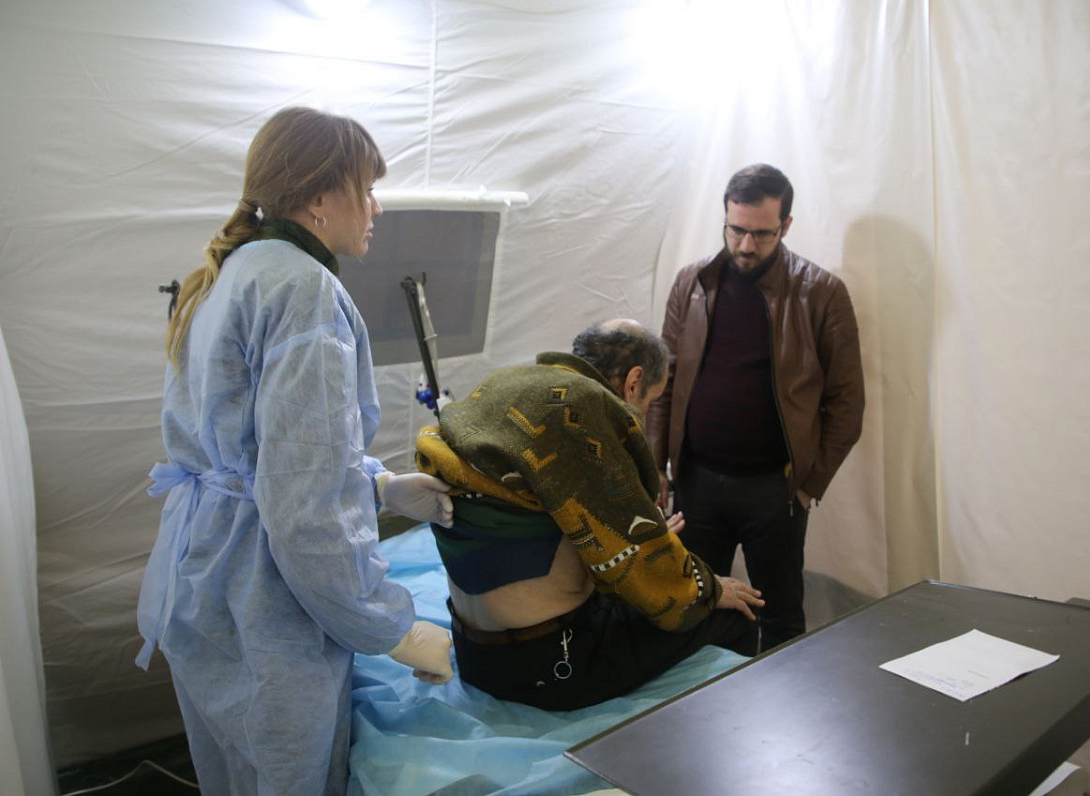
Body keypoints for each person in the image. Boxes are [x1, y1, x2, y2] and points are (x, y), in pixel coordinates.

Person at [135, 106, 455, 796]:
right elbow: (305, 510)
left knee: (232, 772)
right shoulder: (305, 291)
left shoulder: (231, 272)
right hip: (264, 598)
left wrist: (378, 486)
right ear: (320, 197)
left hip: (206, 572)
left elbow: (257, 449)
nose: (376, 208)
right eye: (368, 189)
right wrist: (391, 627)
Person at [413, 319, 763, 711]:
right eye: (649, 402)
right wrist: (708, 587)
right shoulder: (582, 409)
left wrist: (642, 535)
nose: (644, 413)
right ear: (633, 382)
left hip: (474, 653)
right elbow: (649, 575)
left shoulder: (506, 383)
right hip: (548, 664)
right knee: (738, 616)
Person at [646, 163, 865, 651]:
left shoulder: (821, 293)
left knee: (781, 620)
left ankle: (780, 701)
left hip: (776, 491)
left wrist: (808, 487)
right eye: (736, 230)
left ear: (786, 226)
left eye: (761, 234)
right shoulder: (691, 282)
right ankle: (707, 699)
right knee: (693, 608)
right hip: (696, 483)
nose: (746, 245)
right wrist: (655, 465)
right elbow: (664, 381)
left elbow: (848, 404)